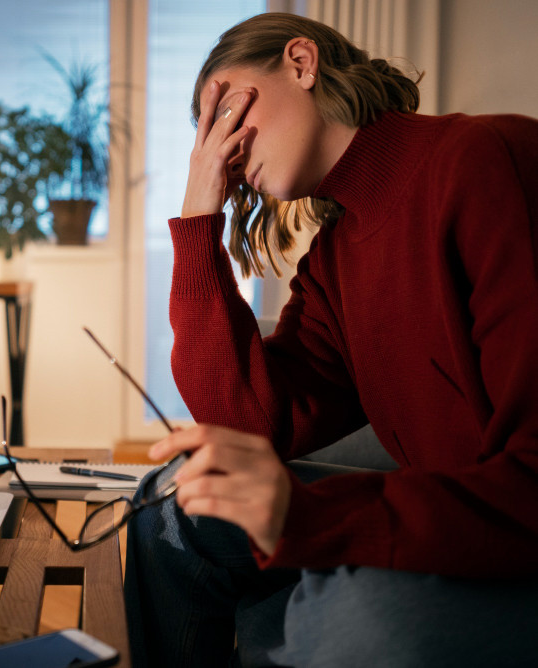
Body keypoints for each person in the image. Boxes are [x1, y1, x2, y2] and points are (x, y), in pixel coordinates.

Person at [124, 12, 538, 668]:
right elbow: (248, 424)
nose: (219, 146)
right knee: (175, 503)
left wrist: (314, 520)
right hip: (453, 518)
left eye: (226, 112)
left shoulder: (485, 160)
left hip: (513, 533)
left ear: (300, 62)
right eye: (204, 134)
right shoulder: (334, 257)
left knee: (349, 620)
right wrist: (199, 217)